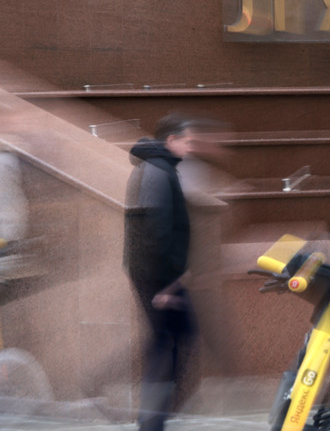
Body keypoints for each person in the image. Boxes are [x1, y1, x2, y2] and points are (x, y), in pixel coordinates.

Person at [123, 113, 197, 431]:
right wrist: (167, 287)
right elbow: (154, 232)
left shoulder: (154, 169)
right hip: (159, 277)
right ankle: (152, 420)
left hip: (155, 274)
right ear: (171, 140)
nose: (191, 148)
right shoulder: (157, 172)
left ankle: (155, 418)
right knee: (165, 343)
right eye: (188, 141)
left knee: (171, 339)